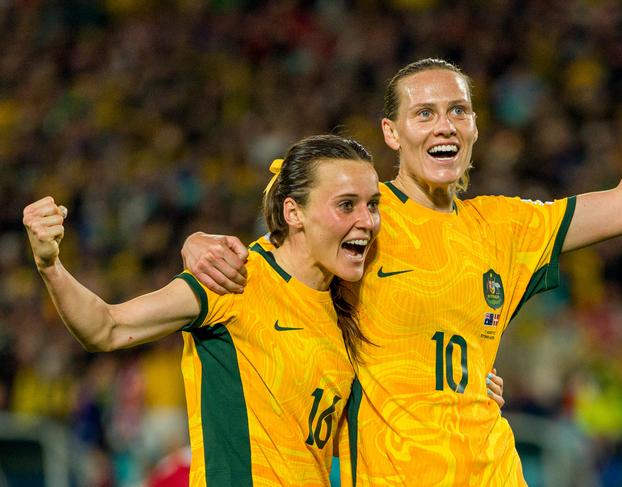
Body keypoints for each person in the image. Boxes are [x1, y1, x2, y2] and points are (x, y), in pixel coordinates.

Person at [181, 31, 622, 485]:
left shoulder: (508, 226)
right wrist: (198, 244)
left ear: (474, 126)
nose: (444, 125)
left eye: (457, 111)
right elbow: (274, 271)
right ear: (391, 132)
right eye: (424, 113)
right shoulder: (360, 219)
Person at [23, 134, 382, 486]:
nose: (367, 221)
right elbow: (106, 328)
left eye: (373, 205)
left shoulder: (347, 312)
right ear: (293, 212)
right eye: (346, 205)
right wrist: (50, 265)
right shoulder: (233, 279)